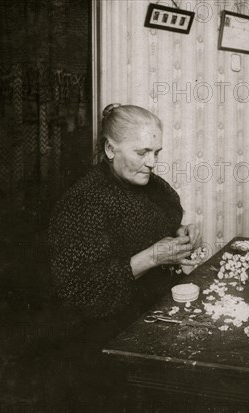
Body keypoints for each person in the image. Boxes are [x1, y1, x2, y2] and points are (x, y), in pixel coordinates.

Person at [48, 103, 201, 325]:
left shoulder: (151, 183)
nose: (152, 163)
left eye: (156, 152)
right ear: (110, 149)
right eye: (142, 152)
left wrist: (180, 232)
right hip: (111, 324)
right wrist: (153, 256)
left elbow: (158, 222)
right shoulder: (84, 200)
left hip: (158, 306)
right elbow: (81, 288)